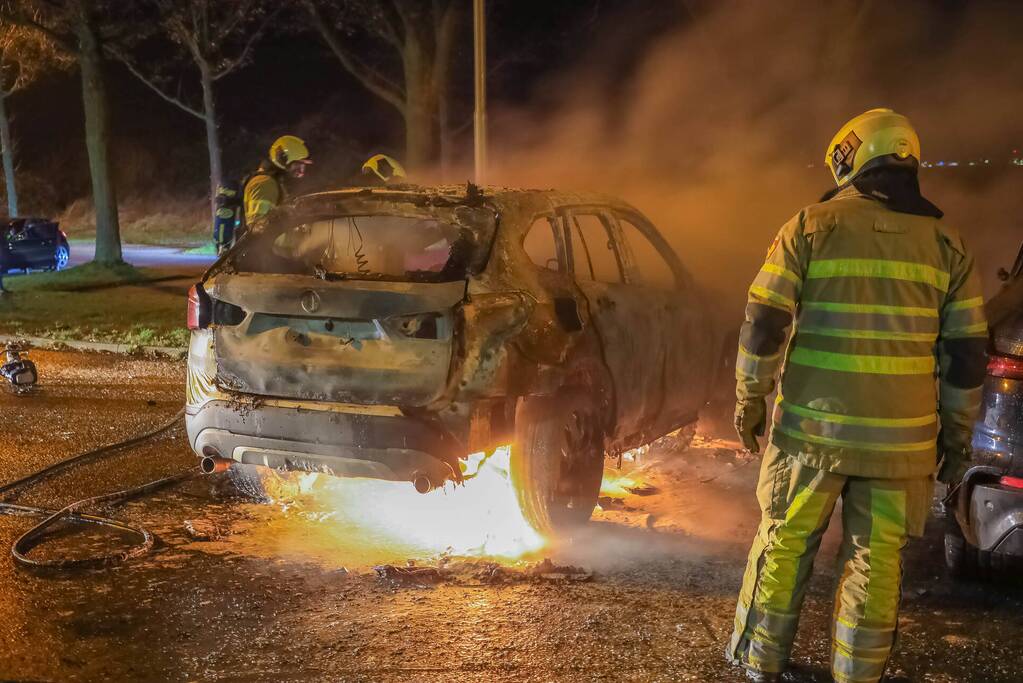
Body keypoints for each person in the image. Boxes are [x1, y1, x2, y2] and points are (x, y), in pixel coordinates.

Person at [726, 108, 988, 683]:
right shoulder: (949, 245)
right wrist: (957, 441)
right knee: (877, 564)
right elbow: (967, 358)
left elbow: (764, 323)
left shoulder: (809, 226)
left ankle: (762, 665)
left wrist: (750, 397)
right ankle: (857, 675)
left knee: (785, 544)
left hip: (812, 437)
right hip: (903, 447)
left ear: (852, 158)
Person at [243, 135, 312, 225]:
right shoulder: (265, 183)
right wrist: (287, 215)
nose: (301, 172)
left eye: (303, 167)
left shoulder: (273, 183)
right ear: (282, 159)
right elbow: (258, 228)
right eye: (297, 166)